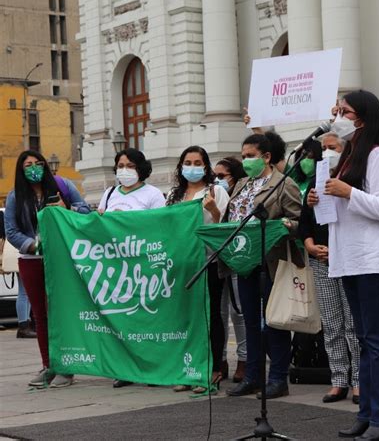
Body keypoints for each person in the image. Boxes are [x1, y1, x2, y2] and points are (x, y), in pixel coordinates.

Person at [309, 90, 379, 440]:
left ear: (362, 116)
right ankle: (367, 414)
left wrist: (348, 192)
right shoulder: (350, 154)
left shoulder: (378, 154)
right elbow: (348, 208)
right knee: (365, 339)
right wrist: (322, 198)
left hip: (373, 259)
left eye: (343, 110)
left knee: (376, 340)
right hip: (350, 257)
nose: (337, 115)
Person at [225, 134, 302, 400]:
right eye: (243, 156)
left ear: (266, 157)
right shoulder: (242, 184)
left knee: (274, 322)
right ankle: (253, 377)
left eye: (250, 156)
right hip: (244, 262)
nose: (245, 161)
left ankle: (279, 378)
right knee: (250, 321)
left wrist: (282, 227)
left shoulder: (284, 184)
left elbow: (298, 221)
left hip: (271, 262)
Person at [5, 150, 90, 388]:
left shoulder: (63, 186)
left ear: (44, 165)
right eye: (27, 165)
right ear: (21, 171)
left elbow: (86, 211)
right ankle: (48, 365)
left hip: (61, 259)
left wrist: (67, 210)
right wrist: (32, 245)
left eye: (37, 163)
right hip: (32, 260)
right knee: (40, 316)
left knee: (62, 312)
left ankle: (66, 367)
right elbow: (11, 231)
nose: (33, 168)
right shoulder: (14, 197)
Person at [299, 133, 361, 405]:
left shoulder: (355, 174)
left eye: (332, 147)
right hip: (321, 259)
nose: (326, 152)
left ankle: (359, 380)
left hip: (347, 257)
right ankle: (338, 379)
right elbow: (305, 221)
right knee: (331, 323)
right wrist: (310, 244)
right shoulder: (317, 178)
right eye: (323, 148)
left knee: (352, 324)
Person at [98, 148, 166, 388]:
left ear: (140, 168)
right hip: (117, 268)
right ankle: (126, 369)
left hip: (144, 266)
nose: (124, 170)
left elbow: (161, 227)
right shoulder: (109, 193)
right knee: (124, 319)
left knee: (148, 318)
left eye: (129, 166)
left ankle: (153, 369)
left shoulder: (153, 194)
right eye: (120, 165)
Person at [166, 146, 229, 393]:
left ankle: (213, 369)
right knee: (185, 317)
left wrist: (212, 208)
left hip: (207, 262)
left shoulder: (216, 191)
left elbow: (225, 225)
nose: (192, 166)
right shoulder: (174, 194)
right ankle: (189, 369)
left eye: (197, 162)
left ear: (206, 166)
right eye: (187, 162)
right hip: (180, 263)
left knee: (211, 315)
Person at [214, 157, 247, 383]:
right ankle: (221, 360)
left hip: (237, 257)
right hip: (216, 258)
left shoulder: (242, 195)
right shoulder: (213, 194)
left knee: (239, 312)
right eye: (214, 176)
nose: (217, 181)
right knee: (220, 312)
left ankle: (244, 360)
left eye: (222, 176)